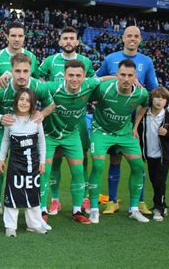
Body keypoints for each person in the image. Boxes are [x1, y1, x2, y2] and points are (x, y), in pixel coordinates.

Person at [0, 53, 55, 231]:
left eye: (25, 71)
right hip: (4, 130)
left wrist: (42, 114)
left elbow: (51, 105)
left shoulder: (38, 86)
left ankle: (39, 216)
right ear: (11, 70)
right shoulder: (1, 87)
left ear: (31, 71)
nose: (22, 75)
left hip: (29, 129)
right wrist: (0, 117)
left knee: (36, 172)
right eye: (17, 71)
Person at [96, 25, 160, 215]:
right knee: (114, 159)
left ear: (140, 39)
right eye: (129, 36)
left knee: (137, 161)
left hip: (136, 120)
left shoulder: (146, 61)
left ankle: (139, 202)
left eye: (136, 36)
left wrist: (140, 88)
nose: (132, 39)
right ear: (123, 38)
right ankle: (113, 201)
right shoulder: (110, 59)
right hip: (114, 119)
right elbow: (95, 80)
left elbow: (154, 90)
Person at [43, 60, 114, 224]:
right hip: (49, 135)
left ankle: (77, 211)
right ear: (64, 76)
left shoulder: (89, 84)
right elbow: (32, 86)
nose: (74, 79)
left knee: (78, 171)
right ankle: (41, 210)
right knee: (44, 171)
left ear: (84, 77)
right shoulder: (52, 87)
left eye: (78, 76)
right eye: (71, 75)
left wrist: (126, 79)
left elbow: (104, 79)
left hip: (71, 135)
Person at [38, 26, 96, 215]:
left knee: (81, 159)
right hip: (53, 119)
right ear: (60, 41)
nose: (69, 41)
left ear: (77, 42)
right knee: (53, 161)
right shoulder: (50, 61)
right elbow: (37, 83)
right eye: (66, 38)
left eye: (72, 38)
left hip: (76, 121)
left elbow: (95, 85)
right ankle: (54, 200)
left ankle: (83, 198)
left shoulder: (86, 62)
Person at [88, 59, 149, 224]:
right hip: (101, 131)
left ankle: (134, 209)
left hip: (124, 133)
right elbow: (86, 96)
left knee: (138, 167)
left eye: (130, 75)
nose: (126, 79)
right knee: (99, 165)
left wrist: (135, 126)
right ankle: (94, 209)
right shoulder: (103, 88)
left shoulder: (141, 93)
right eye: (123, 75)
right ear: (116, 75)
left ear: (135, 76)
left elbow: (144, 105)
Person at [0, 88, 46, 237]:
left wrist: (42, 161)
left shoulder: (36, 120)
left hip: (32, 165)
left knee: (33, 194)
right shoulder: (10, 120)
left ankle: (34, 225)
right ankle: (10, 227)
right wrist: (2, 158)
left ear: (32, 103)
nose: (24, 103)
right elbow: (5, 140)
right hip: (15, 165)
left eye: (27, 100)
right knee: (13, 193)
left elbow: (42, 143)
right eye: (21, 99)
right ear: (16, 101)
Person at [135, 87, 169, 221]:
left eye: (163, 98)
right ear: (151, 99)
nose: (159, 100)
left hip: (163, 156)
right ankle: (162, 204)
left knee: (160, 182)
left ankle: (159, 209)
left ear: (166, 102)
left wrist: (167, 133)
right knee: (154, 181)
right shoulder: (144, 115)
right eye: (157, 97)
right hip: (149, 155)